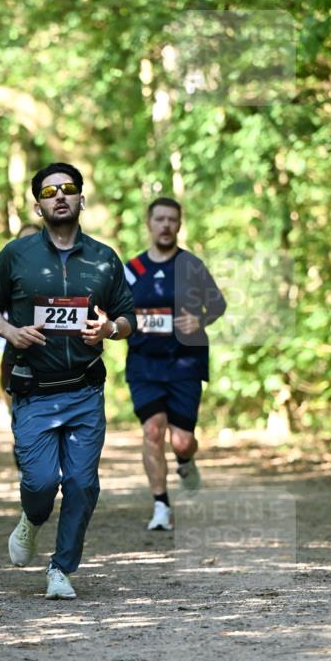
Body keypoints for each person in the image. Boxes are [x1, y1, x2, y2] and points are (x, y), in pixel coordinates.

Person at [0, 162, 136, 600]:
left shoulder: (104, 258)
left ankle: (61, 568)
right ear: (38, 206)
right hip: (33, 390)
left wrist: (110, 329)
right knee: (41, 483)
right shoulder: (17, 255)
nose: (59, 196)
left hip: (85, 388)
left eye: (68, 189)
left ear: (82, 198)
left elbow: (128, 316)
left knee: (82, 483)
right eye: (49, 192)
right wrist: (10, 332)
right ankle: (32, 519)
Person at [123, 196, 226, 531]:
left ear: (179, 224)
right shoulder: (133, 269)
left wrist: (200, 319)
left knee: (181, 440)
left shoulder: (191, 266)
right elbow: (114, 308)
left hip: (185, 362)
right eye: (160, 219)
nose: (166, 225)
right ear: (149, 223)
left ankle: (186, 460)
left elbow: (218, 304)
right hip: (144, 364)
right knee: (153, 430)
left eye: (172, 219)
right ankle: (161, 506)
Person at [0, 223, 41, 433]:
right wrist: (9, 331)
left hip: (52, 354)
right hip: (16, 352)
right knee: (18, 404)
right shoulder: (8, 273)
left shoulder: (61, 271)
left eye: (35, 240)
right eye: (24, 241)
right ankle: (21, 442)